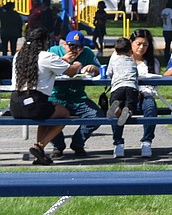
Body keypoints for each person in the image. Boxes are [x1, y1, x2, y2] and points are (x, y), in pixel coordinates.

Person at [10, 26, 88, 165]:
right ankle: (39, 146)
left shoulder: (19, 56)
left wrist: (62, 59)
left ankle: (39, 154)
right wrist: (77, 64)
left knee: (47, 115)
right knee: (64, 114)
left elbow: (48, 66)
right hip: (34, 103)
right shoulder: (46, 56)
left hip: (15, 104)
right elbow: (70, 72)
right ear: (45, 41)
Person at [47, 30, 104, 158]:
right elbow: (45, 70)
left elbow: (100, 70)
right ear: (65, 45)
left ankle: (78, 143)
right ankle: (58, 145)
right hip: (56, 96)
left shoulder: (87, 52)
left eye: (79, 47)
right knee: (47, 116)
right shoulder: (54, 51)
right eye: (72, 46)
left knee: (96, 116)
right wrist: (63, 61)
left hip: (77, 97)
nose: (75, 50)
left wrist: (93, 69)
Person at [112, 29, 161, 158]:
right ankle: (118, 143)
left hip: (143, 95)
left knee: (150, 106)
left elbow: (153, 85)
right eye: (138, 44)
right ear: (131, 43)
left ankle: (146, 141)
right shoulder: (119, 58)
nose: (141, 47)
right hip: (124, 93)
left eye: (145, 45)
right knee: (117, 108)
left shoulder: (152, 63)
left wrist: (140, 92)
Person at [104, 37, 138, 139]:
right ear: (130, 50)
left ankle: (117, 109)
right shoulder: (132, 61)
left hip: (118, 87)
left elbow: (109, 73)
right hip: (131, 87)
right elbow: (136, 74)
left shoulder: (114, 60)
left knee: (115, 100)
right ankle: (128, 111)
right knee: (130, 104)